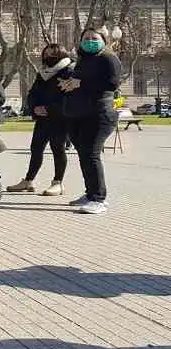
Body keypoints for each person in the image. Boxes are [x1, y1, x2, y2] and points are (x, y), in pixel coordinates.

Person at [62, 27, 122, 214]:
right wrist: (69, 84)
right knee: (84, 155)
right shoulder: (83, 60)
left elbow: (112, 83)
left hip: (100, 113)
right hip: (79, 113)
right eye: (86, 38)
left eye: (94, 38)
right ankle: (90, 193)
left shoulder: (108, 58)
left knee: (91, 154)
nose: (89, 41)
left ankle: (99, 199)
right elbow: (79, 84)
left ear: (103, 40)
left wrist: (81, 83)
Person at [7, 44, 73, 196]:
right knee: (36, 148)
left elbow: (69, 97)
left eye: (52, 55)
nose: (48, 57)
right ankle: (28, 181)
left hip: (60, 118)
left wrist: (50, 109)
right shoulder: (43, 73)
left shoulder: (69, 71)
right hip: (42, 118)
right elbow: (33, 93)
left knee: (58, 148)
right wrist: (34, 107)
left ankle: (58, 183)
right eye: (46, 54)